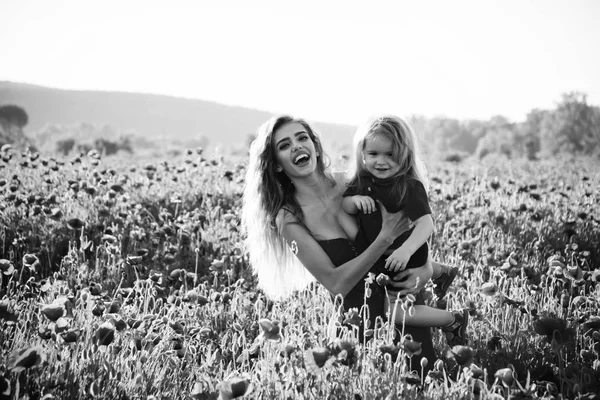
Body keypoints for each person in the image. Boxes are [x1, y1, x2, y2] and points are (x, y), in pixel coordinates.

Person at [242, 115, 436, 373]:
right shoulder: (289, 218)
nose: (298, 146)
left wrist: (426, 271)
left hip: (405, 307)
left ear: (315, 145)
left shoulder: (353, 182)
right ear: (276, 165)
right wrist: (383, 240)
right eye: (285, 145)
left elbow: (411, 228)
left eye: (302, 138)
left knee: (424, 383)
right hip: (357, 327)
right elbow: (336, 283)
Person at [342, 114, 467, 344]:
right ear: (362, 153)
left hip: (404, 257)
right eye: (373, 154)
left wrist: (406, 251)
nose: (381, 161)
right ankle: (444, 272)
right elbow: (345, 205)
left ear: (405, 154)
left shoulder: (408, 186)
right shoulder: (362, 183)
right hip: (384, 254)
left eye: (390, 155)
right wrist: (355, 201)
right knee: (389, 306)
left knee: (394, 311)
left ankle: (452, 319)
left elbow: (425, 223)